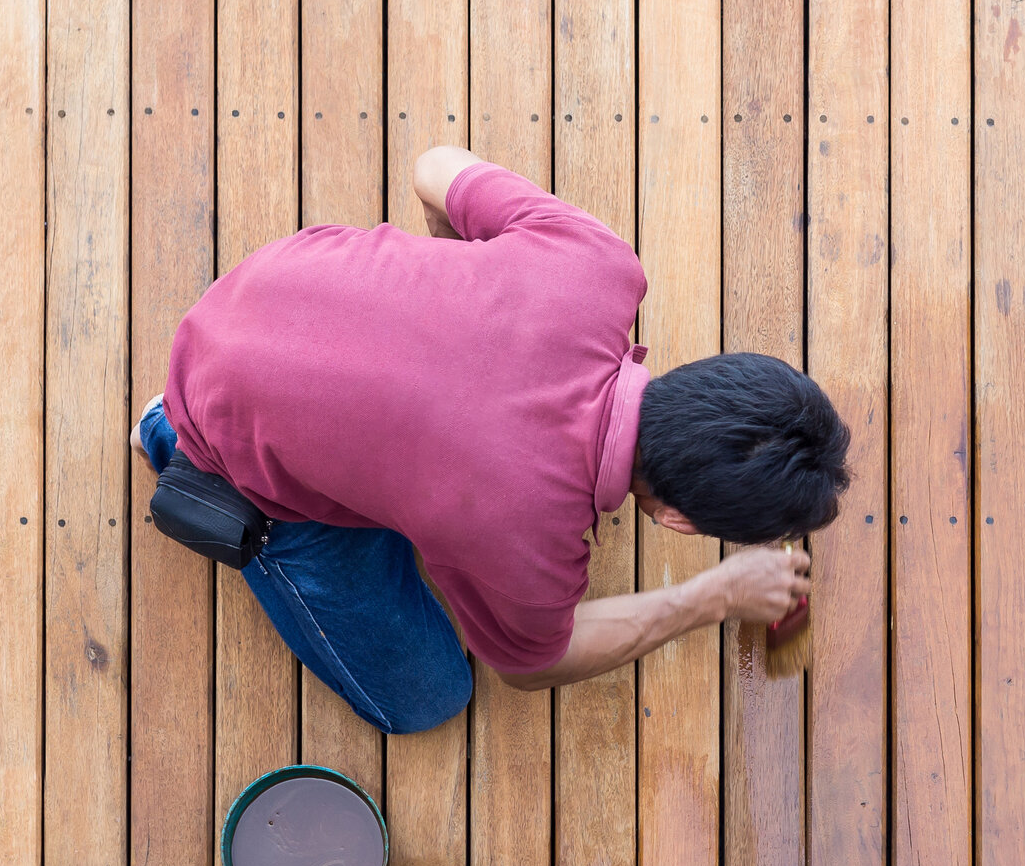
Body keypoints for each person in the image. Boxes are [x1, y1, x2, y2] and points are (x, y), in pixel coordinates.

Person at [133, 143, 848, 732]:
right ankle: (169, 433)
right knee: (428, 697)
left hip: (269, 285)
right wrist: (714, 596)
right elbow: (532, 663)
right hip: (221, 418)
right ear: (677, 519)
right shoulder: (526, 542)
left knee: (421, 484)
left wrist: (457, 297)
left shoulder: (599, 264)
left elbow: (434, 166)